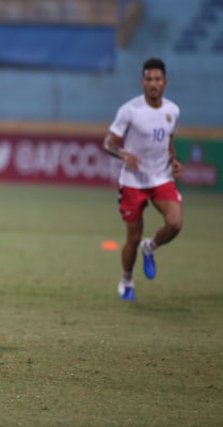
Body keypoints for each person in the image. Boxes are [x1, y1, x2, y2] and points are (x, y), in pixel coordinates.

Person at [103, 57, 182, 302]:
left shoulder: (173, 111)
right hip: (133, 182)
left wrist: (174, 159)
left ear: (165, 83)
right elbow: (108, 142)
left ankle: (151, 247)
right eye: (149, 80)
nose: (153, 84)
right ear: (142, 82)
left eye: (158, 79)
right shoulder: (130, 111)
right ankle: (126, 279)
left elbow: (168, 138)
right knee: (133, 237)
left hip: (160, 178)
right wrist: (122, 154)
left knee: (175, 224)